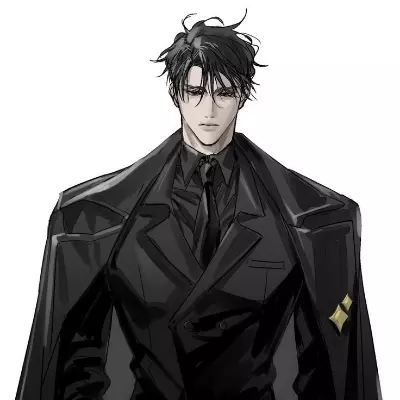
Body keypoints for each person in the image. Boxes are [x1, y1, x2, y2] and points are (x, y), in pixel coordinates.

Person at [16, 10, 382, 400]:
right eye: (195, 92)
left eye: (223, 93)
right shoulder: (96, 219)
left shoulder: (314, 221)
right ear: (176, 94)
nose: (209, 111)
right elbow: (73, 362)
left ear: (242, 95)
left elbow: (328, 370)